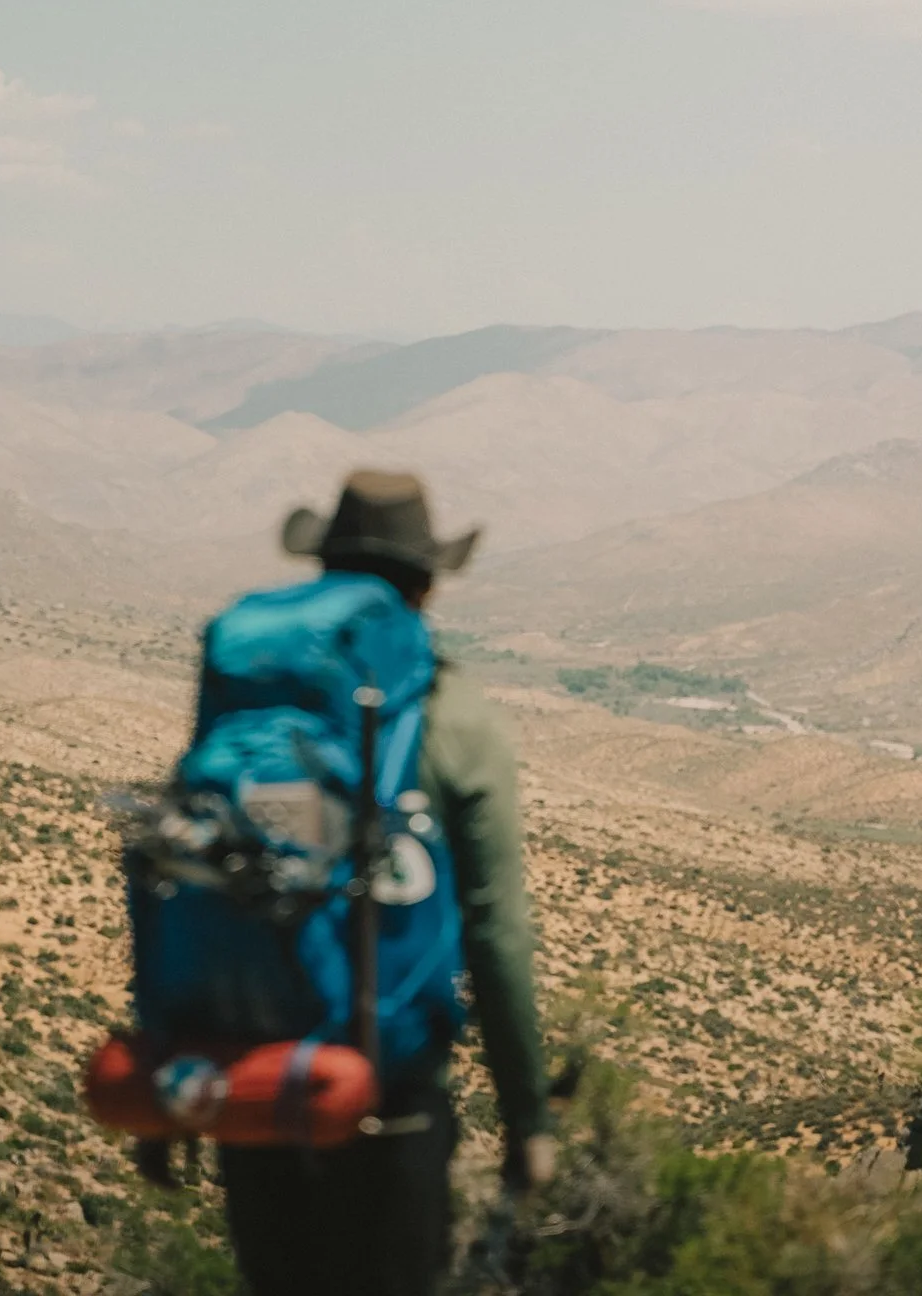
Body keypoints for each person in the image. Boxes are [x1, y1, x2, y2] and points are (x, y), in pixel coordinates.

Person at [209, 470, 554, 1296]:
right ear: (427, 583)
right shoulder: (448, 711)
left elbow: (199, 883)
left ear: (323, 567)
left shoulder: (253, 694)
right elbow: (495, 927)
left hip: (256, 1092)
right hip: (387, 1100)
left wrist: (174, 1071)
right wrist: (528, 1117)